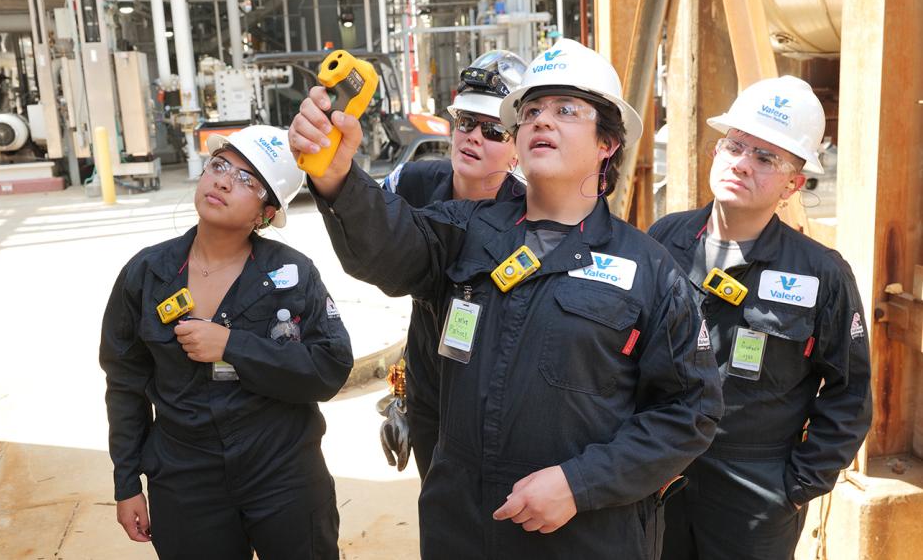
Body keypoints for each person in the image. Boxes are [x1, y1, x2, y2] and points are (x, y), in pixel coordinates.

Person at [290, 38, 723, 559]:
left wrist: (578, 483)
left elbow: (689, 412)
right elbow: (386, 250)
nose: (542, 120)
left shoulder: (648, 271)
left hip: (584, 535)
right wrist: (337, 175)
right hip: (462, 524)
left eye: (566, 110)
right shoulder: (462, 232)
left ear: (608, 142)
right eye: (532, 111)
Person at [100, 125, 352, 560]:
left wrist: (232, 346)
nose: (221, 180)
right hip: (185, 479)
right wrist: (127, 484)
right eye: (219, 165)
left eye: (246, 179)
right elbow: (125, 385)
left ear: (267, 213)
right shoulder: (146, 274)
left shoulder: (293, 274)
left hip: (283, 473)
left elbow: (330, 368)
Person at [649, 76, 872, 560]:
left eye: (765, 157)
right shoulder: (665, 241)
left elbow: (849, 394)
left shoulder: (821, 274)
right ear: (716, 152)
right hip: (657, 475)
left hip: (756, 493)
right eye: (735, 146)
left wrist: (793, 487)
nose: (742, 163)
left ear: (794, 183)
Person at [379, 49, 527, 479]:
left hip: (496, 401)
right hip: (429, 393)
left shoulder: (529, 216)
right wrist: (402, 402)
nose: (473, 137)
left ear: (517, 147)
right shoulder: (411, 184)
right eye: (465, 123)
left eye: (492, 131)